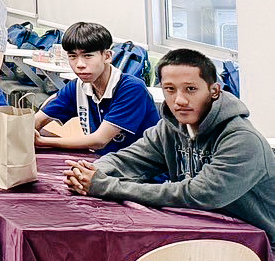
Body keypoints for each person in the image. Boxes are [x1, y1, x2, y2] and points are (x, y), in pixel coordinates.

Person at [67, 48, 275, 239]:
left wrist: (106, 186)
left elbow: (198, 195)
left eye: (190, 89)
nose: (179, 100)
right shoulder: (171, 128)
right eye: (170, 89)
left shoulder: (242, 140)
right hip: (202, 232)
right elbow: (128, 160)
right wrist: (89, 173)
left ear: (214, 91)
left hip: (259, 246)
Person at [35, 21, 158, 155]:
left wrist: (43, 141)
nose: (79, 64)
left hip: (141, 165)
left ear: (107, 56)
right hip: (104, 161)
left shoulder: (132, 88)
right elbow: (37, 120)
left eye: (88, 56)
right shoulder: (76, 87)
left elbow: (99, 141)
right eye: (72, 56)